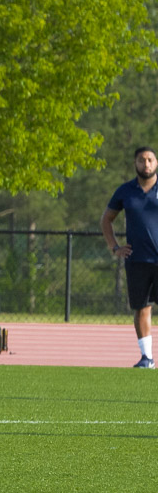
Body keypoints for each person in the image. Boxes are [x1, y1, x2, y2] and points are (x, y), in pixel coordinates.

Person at [100, 146, 158, 369]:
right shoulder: (125, 191)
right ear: (135, 163)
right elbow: (107, 220)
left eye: (150, 160)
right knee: (141, 308)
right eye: (142, 160)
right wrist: (115, 248)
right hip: (137, 261)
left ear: (156, 162)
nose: (146, 164)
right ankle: (147, 358)